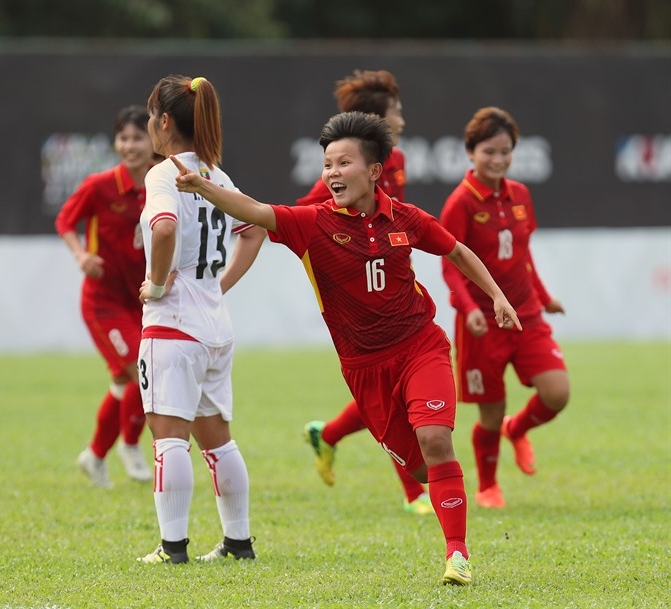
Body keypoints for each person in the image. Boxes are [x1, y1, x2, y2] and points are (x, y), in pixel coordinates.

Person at [171, 110, 523, 585]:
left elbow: (457, 250)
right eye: (327, 165)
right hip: (364, 369)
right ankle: (433, 494)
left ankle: (457, 555)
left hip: (422, 345)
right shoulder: (310, 224)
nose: (332, 174)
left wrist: (498, 296)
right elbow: (254, 211)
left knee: (437, 440)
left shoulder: (406, 218)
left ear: (375, 171)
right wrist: (204, 187)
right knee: (422, 470)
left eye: (343, 163)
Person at [135, 74, 266, 565]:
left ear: (164, 121)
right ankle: (238, 541)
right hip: (216, 326)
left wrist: (157, 282)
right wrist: (219, 284)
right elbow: (253, 231)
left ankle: (173, 548)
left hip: (174, 325)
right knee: (218, 440)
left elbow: (164, 226)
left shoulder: (163, 173)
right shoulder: (217, 174)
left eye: (151, 116)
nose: (150, 125)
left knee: (169, 436)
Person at [298, 69, 433, 515]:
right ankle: (415, 493)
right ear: (377, 119)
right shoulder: (343, 173)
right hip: (357, 300)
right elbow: (302, 216)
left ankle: (328, 434)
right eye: (397, 113)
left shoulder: (396, 163)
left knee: (405, 386)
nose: (403, 121)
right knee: (392, 392)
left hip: (397, 289)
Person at [439, 106, 569, 509]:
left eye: (505, 151)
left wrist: (544, 297)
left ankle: (520, 428)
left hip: (525, 314)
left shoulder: (520, 196)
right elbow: (450, 264)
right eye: (489, 151)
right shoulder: (460, 203)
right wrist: (468, 308)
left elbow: (524, 257)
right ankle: (488, 486)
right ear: (471, 152)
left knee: (557, 392)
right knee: (490, 414)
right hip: (481, 322)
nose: (497, 159)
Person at [55, 105, 157, 488]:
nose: (130, 146)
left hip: (144, 301)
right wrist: (82, 255)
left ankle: (95, 455)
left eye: (137, 138)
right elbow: (65, 220)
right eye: (123, 138)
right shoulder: (99, 186)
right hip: (103, 302)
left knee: (124, 384)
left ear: (154, 141)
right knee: (140, 372)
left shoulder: (162, 183)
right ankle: (130, 445)